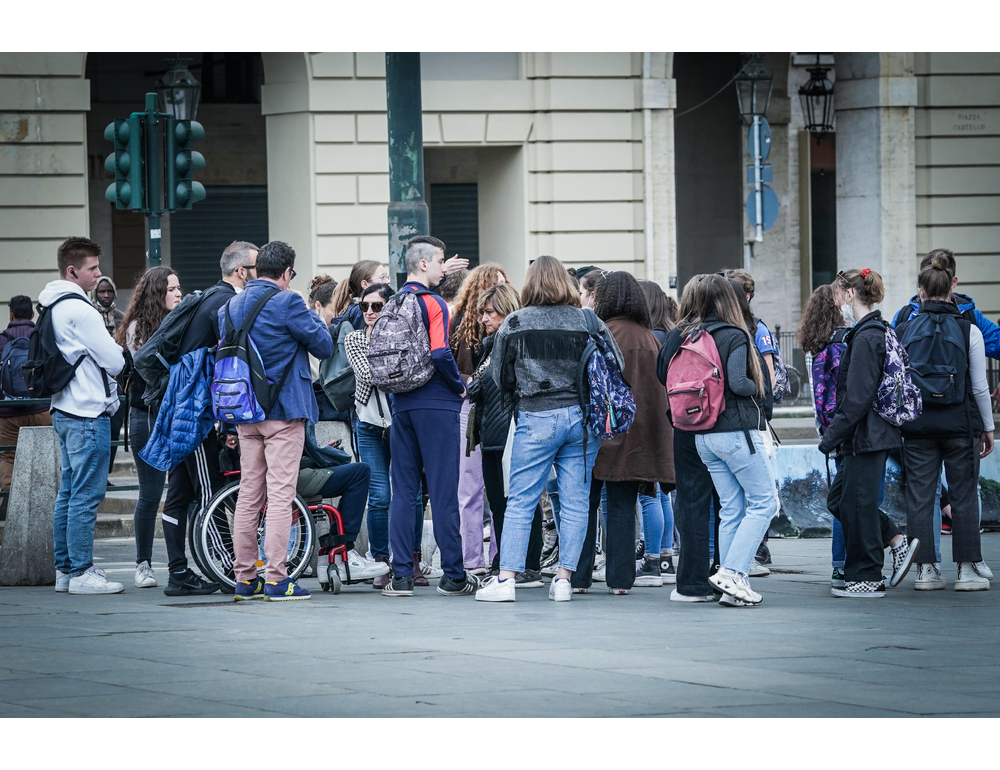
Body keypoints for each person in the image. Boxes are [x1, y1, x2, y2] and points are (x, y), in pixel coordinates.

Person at [476, 255, 623, 603]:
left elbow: (498, 374)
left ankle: (507, 578)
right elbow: (616, 362)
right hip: (581, 419)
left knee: (522, 499)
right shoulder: (587, 320)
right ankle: (563, 579)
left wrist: (520, 395)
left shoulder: (516, 322)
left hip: (535, 415)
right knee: (575, 502)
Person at [222, 241, 333, 602]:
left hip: (245, 412)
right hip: (283, 412)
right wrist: (308, 309)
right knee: (282, 496)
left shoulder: (232, 303)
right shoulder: (288, 301)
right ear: (286, 273)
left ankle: (244, 579)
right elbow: (324, 345)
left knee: (249, 496)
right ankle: (276, 578)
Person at [379, 236, 479, 598]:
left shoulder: (394, 300)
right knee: (442, 489)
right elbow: (439, 351)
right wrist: (459, 386)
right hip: (436, 402)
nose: (442, 267)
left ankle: (401, 575)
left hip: (401, 403)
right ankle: (454, 574)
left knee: (404, 491)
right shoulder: (434, 303)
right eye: (438, 261)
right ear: (423, 265)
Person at [158, 240, 258, 597]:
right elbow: (229, 368)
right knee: (209, 488)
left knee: (181, 494)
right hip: (194, 414)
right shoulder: (228, 303)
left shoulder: (207, 297)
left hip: (179, 406)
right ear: (242, 271)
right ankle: (225, 565)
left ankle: (178, 573)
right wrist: (230, 424)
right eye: (257, 268)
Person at [819, 268, 920, 598]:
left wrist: (831, 436)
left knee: (858, 504)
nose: (837, 305)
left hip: (866, 436)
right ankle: (894, 539)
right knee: (842, 500)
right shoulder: (869, 332)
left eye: (838, 297)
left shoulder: (867, 336)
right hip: (865, 435)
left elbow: (857, 397)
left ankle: (866, 576)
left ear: (850, 295)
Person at [897, 254, 994, 591]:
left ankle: (926, 571)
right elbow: (980, 386)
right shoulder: (969, 329)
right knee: (965, 495)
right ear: (952, 286)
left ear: (920, 290)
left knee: (920, 497)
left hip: (917, 426)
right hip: (960, 425)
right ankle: (967, 571)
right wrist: (989, 427)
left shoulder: (904, 329)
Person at [574, 272, 674, 594]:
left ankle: (578, 577)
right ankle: (620, 580)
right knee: (622, 507)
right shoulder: (650, 339)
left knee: (585, 506)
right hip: (636, 437)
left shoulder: (599, 333)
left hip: (596, 433)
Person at [41, 237, 126, 595]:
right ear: (72, 271)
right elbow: (116, 361)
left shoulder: (49, 304)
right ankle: (81, 572)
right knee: (85, 497)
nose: (98, 274)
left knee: (69, 493)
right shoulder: (81, 310)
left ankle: (65, 570)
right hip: (87, 412)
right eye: (92, 268)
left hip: (62, 409)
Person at [345, 282, 437, 589]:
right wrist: (392, 357)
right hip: (370, 424)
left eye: (377, 306)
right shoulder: (355, 338)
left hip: (400, 422)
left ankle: (410, 560)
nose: (370, 312)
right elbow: (369, 374)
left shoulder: (407, 334)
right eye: (364, 307)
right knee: (381, 496)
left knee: (409, 494)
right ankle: (381, 561)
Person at [467, 282, 545, 586]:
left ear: (507, 311)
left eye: (490, 312)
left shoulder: (513, 342)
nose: (484, 319)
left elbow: (508, 384)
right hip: (493, 432)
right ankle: (505, 561)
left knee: (518, 501)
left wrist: (480, 385)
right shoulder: (492, 343)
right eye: (482, 313)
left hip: (509, 432)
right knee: (500, 503)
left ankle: (527, 563)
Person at [115, 267, 182, 588]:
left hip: (176, 417)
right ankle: (143, 564)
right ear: (157, 294)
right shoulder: (137, 329)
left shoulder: (179, 322)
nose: (179, 293)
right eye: (172, 289)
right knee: (151, 493)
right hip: (146, 415)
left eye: (179, 287)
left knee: (182, 492)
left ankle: (180, 562)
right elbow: (151, 365)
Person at [657, 276, 722, 603]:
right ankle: (727, 573)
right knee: (729, 505)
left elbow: (661, 371)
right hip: (723, 427)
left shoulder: (678, 333)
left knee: (691, 502)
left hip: (685, 425)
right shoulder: (730, 333)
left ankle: (692, 583)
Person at [450, 264, 509, 573]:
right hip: (477, 408)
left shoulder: (459, 322)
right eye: (498, 284)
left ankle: (475, 560)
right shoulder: (465, 324)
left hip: (472, 409)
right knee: (480, 486)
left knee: (477, 488)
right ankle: (482, 559)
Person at [797, 284, 850, 588]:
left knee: (839, 497)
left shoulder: (812, 345)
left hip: (828, 429)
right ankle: (848, 564)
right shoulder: (842, 342)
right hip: (844, 428)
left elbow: (819, 397)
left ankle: (838, 565)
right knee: (849, 498)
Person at [294, 424, 386, 584]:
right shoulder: (292, 406)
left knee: (350, 469)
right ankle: (343, 551)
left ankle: (332, 554)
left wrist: (322, 452)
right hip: (292, 474)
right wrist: (322, 455)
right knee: (360, 472)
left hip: (285, 471)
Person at [638, 279, 677, 581]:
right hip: (669, 418)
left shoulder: (649, 337)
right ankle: (665, 557)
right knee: (662, 490)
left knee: (647, 492)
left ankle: (652, 559)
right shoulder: (670, 335)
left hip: (650, 418)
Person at [0, 295, 52, 508]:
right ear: (32, 315)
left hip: (9, 412)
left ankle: (8, 499)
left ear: (10, 314)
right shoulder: (42, 336)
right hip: (42, 408)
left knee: (7, 455)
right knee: (46, 452)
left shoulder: (2, 339)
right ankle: (45, 500)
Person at [91, 276, 127, 475]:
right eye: (101, 291)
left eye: (109, 291)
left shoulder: (122, 318)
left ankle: (106, 474)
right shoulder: (89, 316)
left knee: (114, 431)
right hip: (94, 384)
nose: (105, 295)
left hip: (118, 385)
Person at [330, 260, 393, 331]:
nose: (388, 281)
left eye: (387, 277)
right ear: (365, 284)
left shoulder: (353, 310)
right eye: (382, 277)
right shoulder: (360, 313)